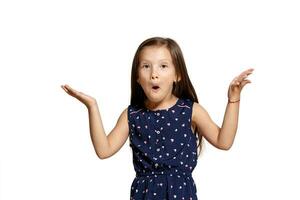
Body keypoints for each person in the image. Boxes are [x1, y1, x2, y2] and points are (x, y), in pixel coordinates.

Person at [61, 37, 254, 199]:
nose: (154, 74)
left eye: (163, 66)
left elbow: (224, 141)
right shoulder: (132, 115)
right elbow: (104, 150)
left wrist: (233, 99)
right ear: (137, 76)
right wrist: (92, 106)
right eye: (146, 66)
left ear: (177, 74)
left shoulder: (190, 110)